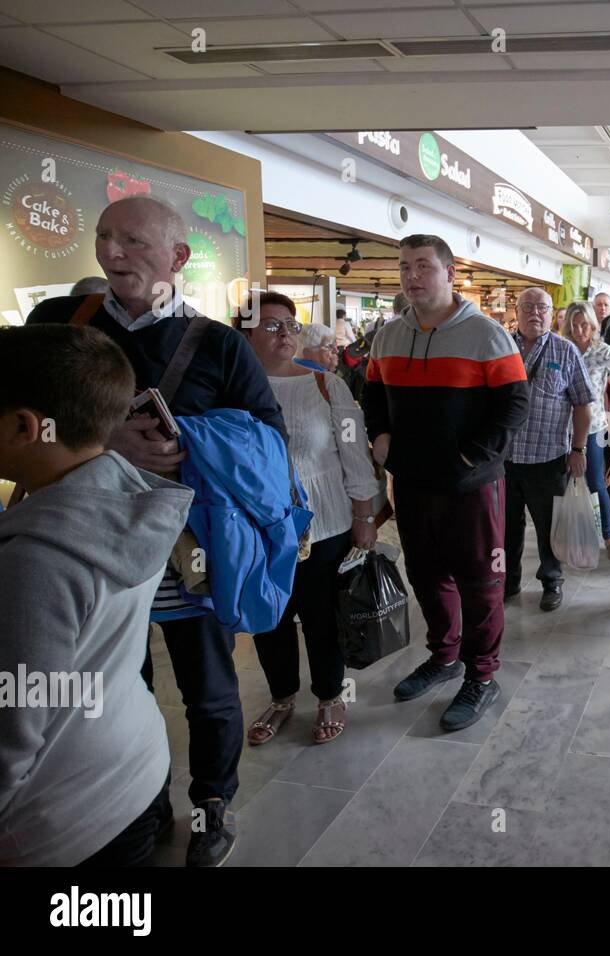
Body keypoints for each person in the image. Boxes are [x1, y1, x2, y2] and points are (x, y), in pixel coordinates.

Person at [27, 194, 286, 866]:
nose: (114, 253)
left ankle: (211, 808)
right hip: (82, 550)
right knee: (110, 690)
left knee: (209, 691)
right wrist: (108, 440)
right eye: (104, 236)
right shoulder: (58, 325)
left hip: (186, 556)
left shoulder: (221, 344)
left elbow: (269, 444)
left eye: (134, 242)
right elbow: (19, 417)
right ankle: (134, 801)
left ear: (177, 257)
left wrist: (188, 445)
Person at [0, 324, 192, 866]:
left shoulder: (37, 557)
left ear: (24, 426)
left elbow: (15, 723)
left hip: (59, 815)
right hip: (133, 758)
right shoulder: (124, 495)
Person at [365, 234, 529, 732]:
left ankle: (482, 675)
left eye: (422, 266)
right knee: (426, 575)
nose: (411, 276)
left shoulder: (485, 334)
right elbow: (372, 395)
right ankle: (445, 656)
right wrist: (381, 435)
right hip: (413, 484)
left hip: (471, 486)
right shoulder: (388, 335)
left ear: (449, 273)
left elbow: (515, 405)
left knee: (481, 582)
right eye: (403, 268)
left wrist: (470, 455)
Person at [237, 291, 379, 747]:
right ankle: (281, 698)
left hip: (326, 522)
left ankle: (330, 695)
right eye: (271, 325)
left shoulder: (326, 385)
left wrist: (365, 514)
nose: (284, 334)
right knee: (269, 618)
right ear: (245, 333)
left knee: (321, 616)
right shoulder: (229, 388)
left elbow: (354, 455)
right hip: (257, 528)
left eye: (291, 326)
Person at [503, 288, 594, 612]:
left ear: (552, 312)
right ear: (517, 310)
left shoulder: (565, 351)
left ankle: (551, 581)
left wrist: (578, 449)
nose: (534, 313)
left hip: (548, 458)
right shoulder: (500, 347)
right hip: (504, 458)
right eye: (527, 306)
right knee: (505, 527)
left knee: (549, 527)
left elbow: (583, 405)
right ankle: (507, 581)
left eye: (542, 307)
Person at [560, 300, 610, 560]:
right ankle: (567, 533)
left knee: (596, 482)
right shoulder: (562, 348)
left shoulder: (603, 351)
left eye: (585, 326)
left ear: (593, 326)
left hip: (592, 425)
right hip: (559, 428)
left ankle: (608, 535)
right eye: (575, 325)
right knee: (563, 482)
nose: (580, 331)